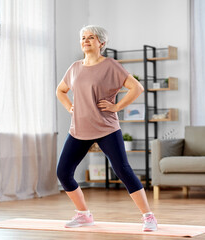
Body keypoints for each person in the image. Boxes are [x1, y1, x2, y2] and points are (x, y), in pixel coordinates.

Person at [56, 25, 157, 232]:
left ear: (101, 43)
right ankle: (84, 214)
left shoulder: (111, 65)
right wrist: (69, 107)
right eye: (83, 37)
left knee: (123, 170)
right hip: (79, 129)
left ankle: (149, 217)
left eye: (90, 37)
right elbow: (61, 90)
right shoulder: (74, 67)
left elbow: (137, 88)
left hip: (106, 128)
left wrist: (117, 106)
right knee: (63, 172)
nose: (85, 40)